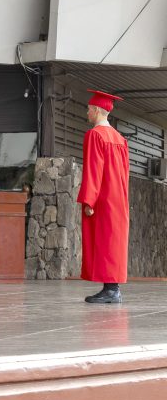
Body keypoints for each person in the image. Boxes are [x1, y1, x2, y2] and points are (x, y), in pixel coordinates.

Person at [78, 90, 129, 303]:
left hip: (104, 197)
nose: (87, 112)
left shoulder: (95, 135)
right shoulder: (120, 138)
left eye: (89, 109)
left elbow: (94, 169)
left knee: (104, 241)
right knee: (113, 240)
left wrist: (89, 199)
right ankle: (112, 288)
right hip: (119, 197)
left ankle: (111, 290)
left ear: (98, 110)